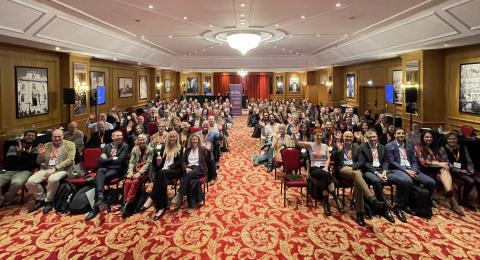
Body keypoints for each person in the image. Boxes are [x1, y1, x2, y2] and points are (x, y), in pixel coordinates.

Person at [331, 131, 385, 226]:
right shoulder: (338, 145)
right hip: (342, 170)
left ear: (353, 138)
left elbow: (361, 162)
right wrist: (339, 150)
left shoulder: (357, 147)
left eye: (350, 137)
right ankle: (371, 199)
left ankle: (360, 213)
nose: (348, 138)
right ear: (343, 137)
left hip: (354, 169)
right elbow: (332, 158)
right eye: (346, 136)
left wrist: (352, 166)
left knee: (357, 179)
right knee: (358, 175)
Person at [385, 128, 436, 222]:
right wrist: (406, 171)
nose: (401, 135)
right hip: (397, 169)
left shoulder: (409, 146)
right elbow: (392, 162)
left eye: (403, 133)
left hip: (411, 169)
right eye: (398, 133)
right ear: (395, 135)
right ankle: (399, 206)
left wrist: (414, 170)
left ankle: (425, 202)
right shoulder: (389, 146)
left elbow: (414, 160)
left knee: (431, 182)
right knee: (406, 181)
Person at [26, 129, 76, 213]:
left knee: (52, 179)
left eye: (59, 137)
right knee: (31, 181)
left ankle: (49, 201)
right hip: (47, 168)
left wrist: (55, 169)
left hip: (63, 169)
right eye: (54, 137)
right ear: (51, 137)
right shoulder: (46, 145)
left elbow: (70, 160)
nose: (57, 139)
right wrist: (40, 155)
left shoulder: (70, 145)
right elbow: (39, 162)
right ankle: (40, 199)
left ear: (63, 136)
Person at [293, 128, 341, 216]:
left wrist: (326, 167)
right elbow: (297, 143)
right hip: (314, 169)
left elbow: (328, 158)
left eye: (320, 135)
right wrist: (294, 134)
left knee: (325, 178)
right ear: (314, 136)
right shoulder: (310, 145)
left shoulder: (325, 146)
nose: (319, 137)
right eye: (317, 135)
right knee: (327, 176)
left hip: (324, 169)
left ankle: (326, 206)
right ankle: (336, 198)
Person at [414, 131, 463, 215]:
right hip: (425, 170)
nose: (429, 139)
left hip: (436, 170)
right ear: (422, 138)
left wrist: (444, 164)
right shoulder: (418, 146)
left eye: (431, 137)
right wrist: (438, 163)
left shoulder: (436, 148)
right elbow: (423, 162)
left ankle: (449, 191)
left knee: (445, 170)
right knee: (444, 170)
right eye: (427, 137)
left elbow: (442, 159)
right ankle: (454, 202)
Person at [84, 130, 129, 221]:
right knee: (100, 171)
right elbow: (100, 160)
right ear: (112, 137)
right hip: (107, 168)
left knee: (98, 178)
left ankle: (95, 208)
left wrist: (108, 158)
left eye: (121, 135)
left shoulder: (125, 146)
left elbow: (120, 161)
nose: (120, 137)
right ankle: (100, 196)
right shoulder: (106, 146)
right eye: (117, 135)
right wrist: (113, 158)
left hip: (118, 169)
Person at [358, 129, 397, 223]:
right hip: (369, 171)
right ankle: (384, 208)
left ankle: (399, 206)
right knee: (376, 181)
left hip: (382, 171)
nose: (372, 139)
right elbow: (365, 163)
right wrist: (377, 173)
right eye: (370, 137)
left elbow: (386, 161)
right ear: (366, 138)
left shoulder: (382, 147)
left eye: (374, 137)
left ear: (377, 137)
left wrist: (384, 171)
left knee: (402, 179)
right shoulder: (362, 147)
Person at [170, 134, 211, 213]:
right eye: (193, 139)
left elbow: (209, 159)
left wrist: (208, 150)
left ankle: (179, 195)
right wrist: (186, 168)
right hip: (189, 169)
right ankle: (194, 203)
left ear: (198, 140)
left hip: (199, 169)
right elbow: (183, 162)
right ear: (190, 141)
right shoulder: (187, 150)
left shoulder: (202, 149)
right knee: (192, 182)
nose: (195, 141)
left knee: (188, 176)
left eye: (196, 139)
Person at [149, 131, 184, 220]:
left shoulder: (180, 148)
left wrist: (168, 167)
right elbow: (159, 165)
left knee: (160, 174)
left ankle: (152, 198)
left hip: (176, 170)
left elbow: (179, 163)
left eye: (174, 137)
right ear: (168, 138)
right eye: (170, 137)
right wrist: (159, 161)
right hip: (164, 172)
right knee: (161, 179)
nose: (172, 138)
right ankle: (162, 207)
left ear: (177, 138)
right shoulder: (164, 148)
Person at [442, 132, 479, 211]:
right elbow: (447, 163)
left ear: (457, 139)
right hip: (454, 171)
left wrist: (471, 170)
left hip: (465, 169)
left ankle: (468, 199)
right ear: (446, 140)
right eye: (449, 139)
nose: (452, 140)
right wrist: (461, 171)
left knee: (478, 181)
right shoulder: (444, 148)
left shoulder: (462, 147)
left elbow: (469, 160)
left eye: (454, 139)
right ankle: (464, 200)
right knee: (470, 181)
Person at [0, 130, 38, 207]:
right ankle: (1, 199)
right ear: (24, 136)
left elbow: (33, 165)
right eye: (28, 135)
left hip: (25, 171)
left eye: (33, 136)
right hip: (10, 170)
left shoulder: (36, 149)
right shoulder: (13, 146)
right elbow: (10, 162)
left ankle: (7, 199)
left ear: (35, 138)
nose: (30, 137)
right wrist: (26, 160)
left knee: (17, 183)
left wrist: (22, 153)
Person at [122, 134, 153, 218]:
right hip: (135, 170)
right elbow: (131, 162)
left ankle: (128, 203)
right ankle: (125, 202)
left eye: (143, 140)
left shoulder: (150, 149)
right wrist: (130, 171)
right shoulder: (135, 149)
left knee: (135, 182)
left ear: (146, 140)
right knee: (127, 182)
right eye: (140, 140)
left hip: (145, 172)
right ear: (138, 141)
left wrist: (140, 173)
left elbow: (148, 163)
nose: (142, 141)